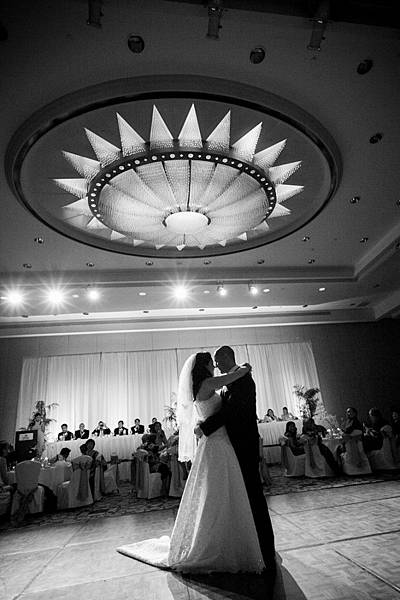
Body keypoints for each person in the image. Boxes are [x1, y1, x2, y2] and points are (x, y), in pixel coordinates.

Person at [117, 351, 267, 573]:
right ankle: (217, 542)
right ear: (205, 365)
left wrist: (201, 426)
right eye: (212, 362)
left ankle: (227, 537)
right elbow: (231, 380)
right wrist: (244, 368)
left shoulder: (202, 386)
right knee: (219, 491)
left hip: (219, 441)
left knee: (221, 491)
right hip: (217, 443)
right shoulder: (209, 383)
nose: (215, 365)